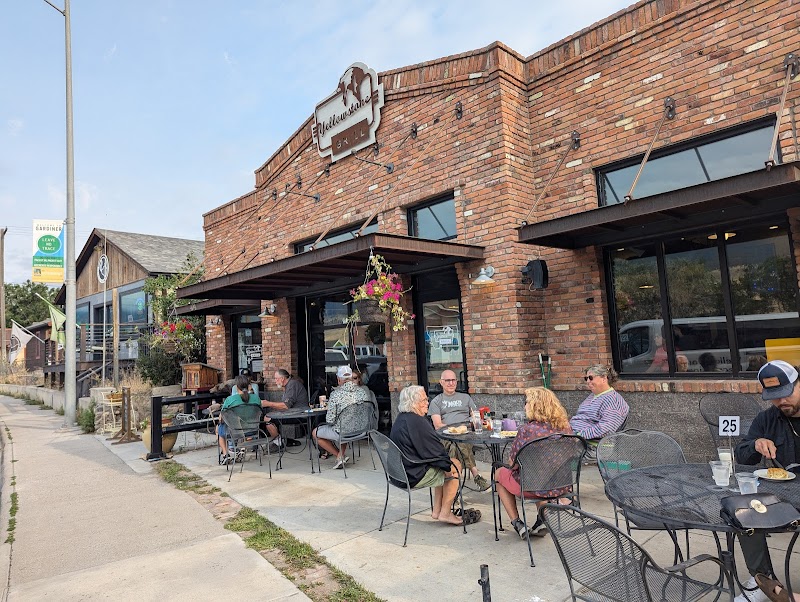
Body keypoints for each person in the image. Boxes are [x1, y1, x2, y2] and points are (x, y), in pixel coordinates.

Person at [733, 360, 800, 602]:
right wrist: (755, 444)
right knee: (742, 508)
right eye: (774, 396)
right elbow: (741, 455)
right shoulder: (767, 419)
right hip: (782, 497)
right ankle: (762, 580)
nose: (781, 401)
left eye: (786, 393)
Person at [495, 387, 575, 538]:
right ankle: (542, 519)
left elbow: (513, 464)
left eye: (526, 402)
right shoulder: (566, 426)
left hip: (535, 487)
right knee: (539, 470)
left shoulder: (527, 430)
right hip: (561, 485)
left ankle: (517, 523)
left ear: (534, 405)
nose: (524, 406)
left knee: (499, 474)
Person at [390, 385, 465, 526]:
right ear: (414, 403)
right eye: (424, 400)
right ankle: (445, 513)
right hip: (411, 474)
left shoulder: (402, 418)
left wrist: (443, 463)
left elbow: (427, 451)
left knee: (444, 465)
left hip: (399, 472)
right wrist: (447, 466)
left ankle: (437, 511)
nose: (427, 403)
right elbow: (434, 451)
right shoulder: (417, 421)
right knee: (455, 465)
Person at [427, 369, 490, 491]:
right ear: (441, 382)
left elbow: (475, 416)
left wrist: (479, 421)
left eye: (453, 380)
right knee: (456, 445)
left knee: (460, 443)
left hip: (467, 434)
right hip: (446, 436)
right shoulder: (436, 401)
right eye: (447, 380)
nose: (451, 383)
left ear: (457, 381)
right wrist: (455, 430)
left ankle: (455, 481)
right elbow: (438, 425)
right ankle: (476, 475)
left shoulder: (465, 398)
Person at [312, 365, 371, 468]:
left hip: (345, 432)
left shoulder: (336, 394)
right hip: (362, 430)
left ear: (339, 379)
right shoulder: (362, 391)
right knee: (345, 423)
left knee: (315, 433)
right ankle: (340, 456)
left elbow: (330, 420)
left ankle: (339, 456)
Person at [570, 365, 629, 445]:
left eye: (590, 378)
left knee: (552, 452)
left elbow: (606, 428)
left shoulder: (613, 400)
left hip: (592, 447)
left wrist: (579, 436)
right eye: (586, 378)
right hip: (576, 440)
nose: (587, 381)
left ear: (604, 379)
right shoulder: (593, 395)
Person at [217, 375, 263, 464]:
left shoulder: (230, 400)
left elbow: (221, 418)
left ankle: (225, 454)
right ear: (249, 386)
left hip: (234, 431)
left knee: (218, 429)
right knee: (243, 425)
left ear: (236, 387)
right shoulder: (256, 399)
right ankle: (242, 449)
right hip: (252, 430)